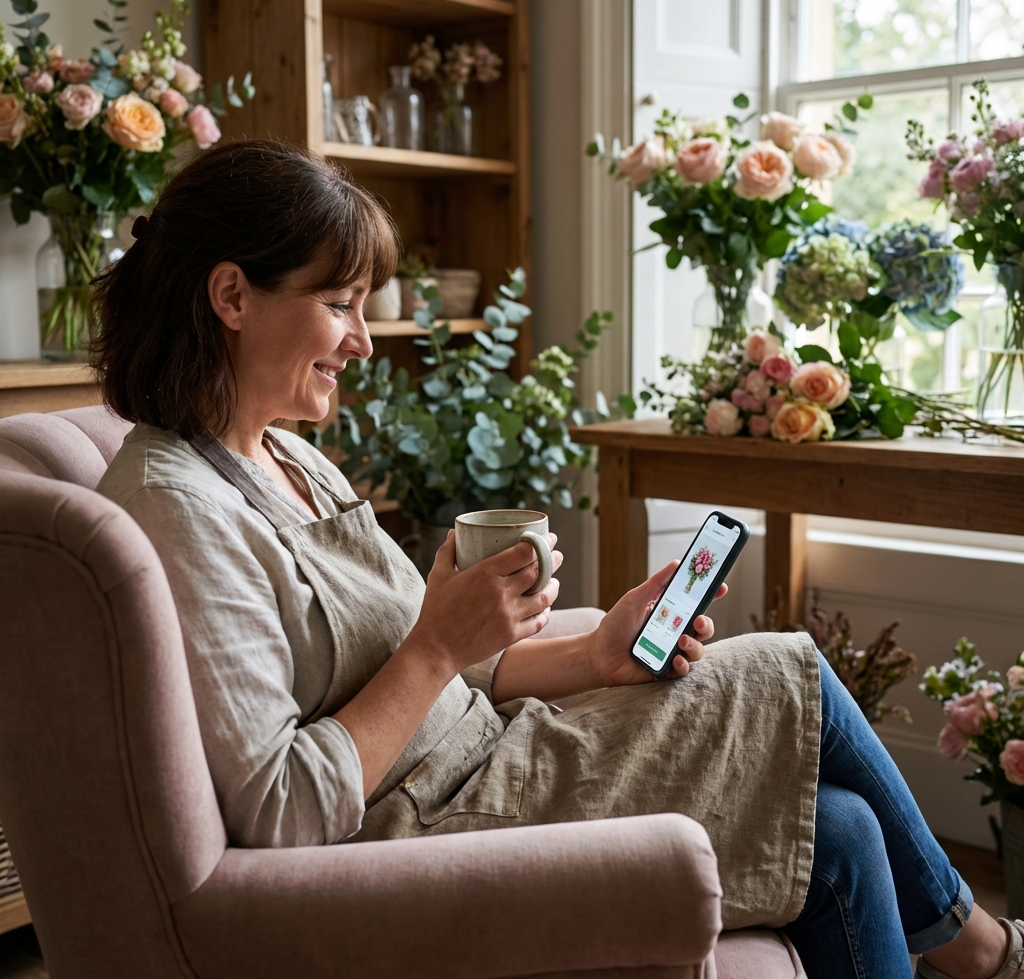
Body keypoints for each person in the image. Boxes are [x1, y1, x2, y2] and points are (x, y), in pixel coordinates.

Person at [93, 140, 1020, 979]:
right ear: (230, 296)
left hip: (496, 755)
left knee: (842, 831)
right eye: (339, 305)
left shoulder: (283, 452)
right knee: (795, 673)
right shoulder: (178, 513)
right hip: (433, 821)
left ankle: (979, 954)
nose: (365, 340)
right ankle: (986, 953)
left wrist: (593, 655)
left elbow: (424, 677)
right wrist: (434, 646)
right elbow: (282, 809)